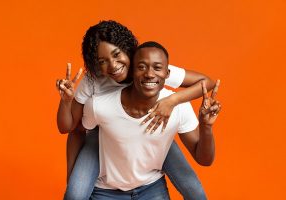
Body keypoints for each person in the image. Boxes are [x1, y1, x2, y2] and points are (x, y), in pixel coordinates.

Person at [56, 20, 215, 200]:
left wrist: (173, 100)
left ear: (128, 49)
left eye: (117, 55)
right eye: (103, 61)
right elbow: (69, 127)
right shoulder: (93, 81)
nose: (113, 65)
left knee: (195, 190)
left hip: (152, 131)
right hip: (104, 135)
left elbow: (206, 82)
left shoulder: (146, 68)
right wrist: (67, 101)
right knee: (74, 194)